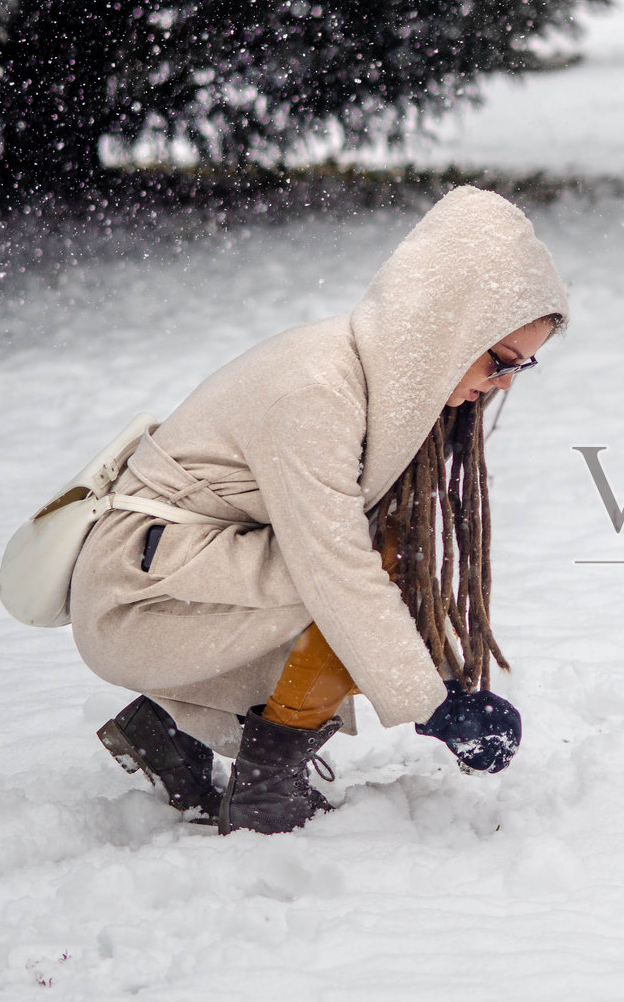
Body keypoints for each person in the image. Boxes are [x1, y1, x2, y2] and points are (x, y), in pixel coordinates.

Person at [69, 187, 568, 835]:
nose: (501, 383)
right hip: (135, 597)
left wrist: (442, 684)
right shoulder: (316, 393)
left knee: (370, 563)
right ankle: (266, 788)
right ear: (448, 328)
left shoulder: (375, 381)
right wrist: (440, 703)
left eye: (522, 367)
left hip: (186, 569)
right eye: (499, 361)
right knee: (351, 577)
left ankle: (166, 731)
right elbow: (340, 572)